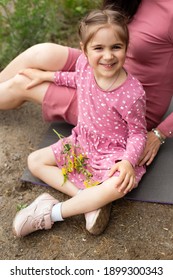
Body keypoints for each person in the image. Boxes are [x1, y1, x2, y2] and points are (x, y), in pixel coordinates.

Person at [12, 8, 147, 237]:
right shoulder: (84, 65)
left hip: (112, 155)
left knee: (117, 186)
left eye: (116, 47)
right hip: (82, 143)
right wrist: (47, 76)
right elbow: (76, 79)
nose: (108, 56)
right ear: (84, 49)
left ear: (126, 47)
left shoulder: (132, 94)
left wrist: (127, 162)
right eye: (98, 48)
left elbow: (138, 134)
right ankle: (89, 203)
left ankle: (51, 212)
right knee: (35, 161)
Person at [0, 0, 173, 167]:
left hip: (122, 103)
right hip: (102, 67)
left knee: (22, 84)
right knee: (41, 53)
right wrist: (50, 75)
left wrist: (160, 133)